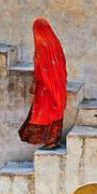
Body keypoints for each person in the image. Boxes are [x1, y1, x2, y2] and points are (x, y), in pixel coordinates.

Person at [18, 17, 67, 150]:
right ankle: (53, 139)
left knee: (44, 114)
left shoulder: (42, 46)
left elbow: (41, 68)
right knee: (54, 111)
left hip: (46, 87)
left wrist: (35, 82)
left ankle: (51, 140)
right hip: (57, 85)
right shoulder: (55, 43)